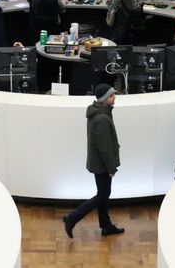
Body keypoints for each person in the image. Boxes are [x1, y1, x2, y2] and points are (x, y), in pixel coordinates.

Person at [63, 84, 124, 238]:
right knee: (102, 195)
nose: (114, 97)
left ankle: (106, 226)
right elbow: (104, 147)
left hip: (98, 163)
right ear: (105, 99)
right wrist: (111, 168)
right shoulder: (102, 118)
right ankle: (72, 218)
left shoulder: (100, 112)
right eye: (111, 95)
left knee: (103, 194)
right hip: (102, 165)